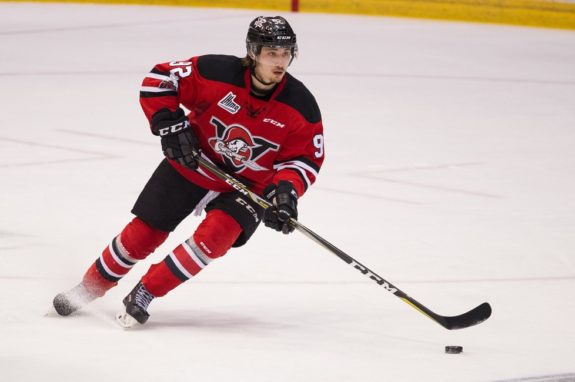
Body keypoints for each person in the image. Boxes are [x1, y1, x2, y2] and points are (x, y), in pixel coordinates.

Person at [52, 15, 325, 327]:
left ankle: (145, 292)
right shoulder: (216, 72)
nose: (280, 63)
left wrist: (285, 193)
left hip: (247, 184)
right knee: (144, 234)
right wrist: (170, 123)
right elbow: (160, 79)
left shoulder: (301, 105)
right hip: (194, 162)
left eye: (286, 54)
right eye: (271, 54)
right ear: (253, 52)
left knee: (217, 236)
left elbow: (303, 160)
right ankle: (90, 287)